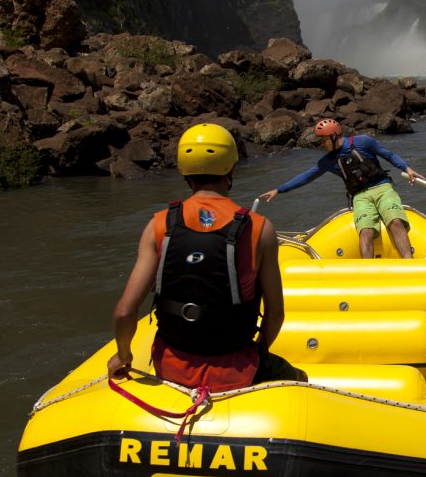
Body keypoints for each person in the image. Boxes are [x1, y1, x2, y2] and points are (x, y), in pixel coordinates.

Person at [108, 123, 303, 391]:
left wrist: (124, 354)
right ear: (231, 168)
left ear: (183, 170)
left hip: (170, 367)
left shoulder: (159, 224)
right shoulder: (260, 228)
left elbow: (124, 312)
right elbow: (276, 314)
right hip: (238, 370)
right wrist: (259, 354)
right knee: (299, 378)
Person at [258, 118, 424, 259]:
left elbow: (388, 155)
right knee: (365, 231)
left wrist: (407, 169)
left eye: (323, 140)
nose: (321, 144)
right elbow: (306, 177)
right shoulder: (327, 161)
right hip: (360, 196)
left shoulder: (363, 142)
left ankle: (409, 263)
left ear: (334, 135)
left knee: (395, 221)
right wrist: (279, 190)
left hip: (382, 187)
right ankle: (369, 271)